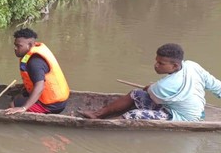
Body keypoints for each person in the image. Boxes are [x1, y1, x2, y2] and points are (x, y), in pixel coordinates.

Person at [79, 43, 221, 121]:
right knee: (136, 93)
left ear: (175, 66)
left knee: (132, 115)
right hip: (197, 109)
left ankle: (107, 123)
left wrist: (150, 88)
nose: (156, 65)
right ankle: (98, 114)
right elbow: (217, 87)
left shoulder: (164, 86)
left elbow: (152, 91)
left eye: (161, 63)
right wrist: (150, 89)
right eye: (156, 60)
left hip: (183, 117)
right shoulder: (192, 65)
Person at [5, 28, 70, 115]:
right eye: (15, 45)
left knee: (11, 106)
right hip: (57, 100)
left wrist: (23, 108)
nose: (15, 48)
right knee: (17, 96)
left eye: (19, 46)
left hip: (52, 106)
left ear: (30, 45)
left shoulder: (34, 62)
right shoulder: (30, 55)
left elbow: (40, 86)